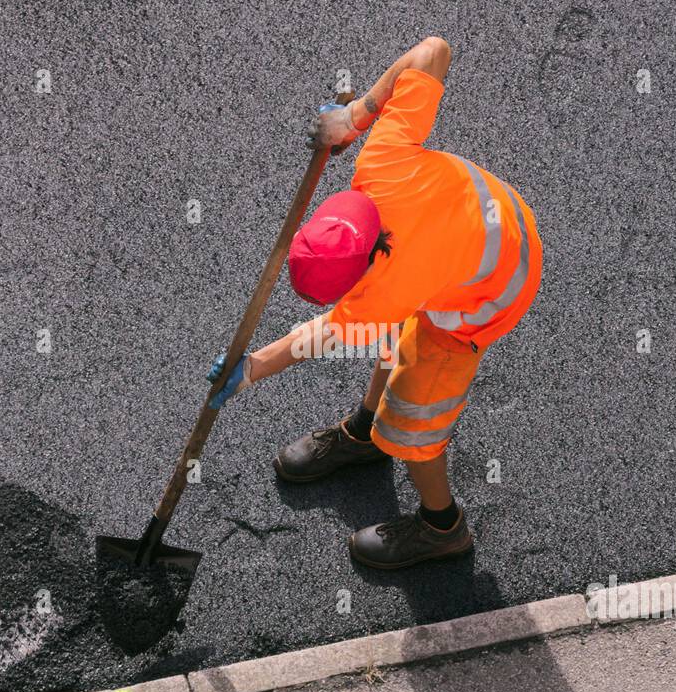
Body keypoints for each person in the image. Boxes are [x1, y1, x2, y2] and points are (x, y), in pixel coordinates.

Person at [206, 36, 542, 569]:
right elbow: (433, 50)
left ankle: (441, 526)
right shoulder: (379, 160)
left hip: (492, 286)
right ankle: (366, 433)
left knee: (416, 419)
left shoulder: (384, 290)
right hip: (491, 215)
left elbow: (326, 333)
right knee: (396, 327)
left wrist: (249, 370)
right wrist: (357, 116)